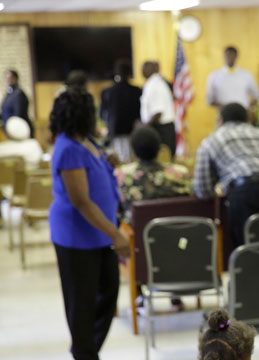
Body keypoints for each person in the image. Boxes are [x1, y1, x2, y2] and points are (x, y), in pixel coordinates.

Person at [48, 88, 130, 360]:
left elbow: (93, 168)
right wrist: (116, 234)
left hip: (98, 235)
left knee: (108, 292)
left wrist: (107, 161)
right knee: (82, 305)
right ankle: (85, 352)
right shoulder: (68, 148)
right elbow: (81, 201)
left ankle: (85, 350)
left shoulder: (85, 140)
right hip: (77, 237)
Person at [193, 102, 259, 247]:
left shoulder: (211, 140)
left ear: (221, 121)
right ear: (248, 120)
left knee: (249, 247)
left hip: (247, 189)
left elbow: (202, 189)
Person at [115, 126, 191, 311]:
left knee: (129, 227)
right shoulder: (179, 174)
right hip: (178, 246)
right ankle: (175, 295)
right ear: (159, 148)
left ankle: (139, 295)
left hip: (139, 250)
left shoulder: (122, 176)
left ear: (133, 150)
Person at [100, 60, 141, 163]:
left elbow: (102, 113)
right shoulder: (137, 91)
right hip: (133, 131)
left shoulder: (108, 92)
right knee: (132, 160)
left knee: (119, 159)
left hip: (115, 131)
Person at [140, 61, 176, 157]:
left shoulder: (154, 85)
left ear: (153, 69)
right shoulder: (153, 83)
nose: (142, 71)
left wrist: (144, 127)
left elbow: (158, 113)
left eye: (145, 68)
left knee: (164, 163)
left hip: (161, 130)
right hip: (161, 128)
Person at [1, 70, 33, 137]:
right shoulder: (9, 93)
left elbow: (18, 114)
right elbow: (5, 112)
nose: (7, 80)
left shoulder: (18, 94)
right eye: (6, 78)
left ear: (16, 78)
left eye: (10, 78)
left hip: (19, 131)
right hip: (10, 130)